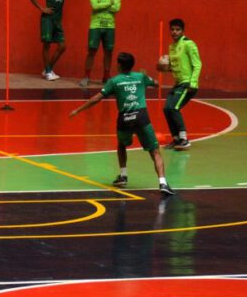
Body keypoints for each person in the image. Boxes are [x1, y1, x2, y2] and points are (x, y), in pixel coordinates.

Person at [69, 52, 175, 196]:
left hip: (124, 120)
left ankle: (123, 176)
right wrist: (149, 77)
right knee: (154, 151)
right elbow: (156, 84)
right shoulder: (140, 77)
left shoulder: (114, 81)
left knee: (122, 144)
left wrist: (78, 109)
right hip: (141, 118)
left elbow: (97, 98)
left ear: (119, 65)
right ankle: (163, 183)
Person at [29, 0, 95, 81]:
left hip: (58, 21)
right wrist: (42, 8)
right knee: (46, 45)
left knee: (62, 46)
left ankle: (47, 69)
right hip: (47, 19)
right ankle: (48, 71)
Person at [161, 18, 202, 150]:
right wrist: (165, 68)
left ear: (183, 31)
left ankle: (184, 139)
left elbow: (197, 64)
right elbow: (175, 66)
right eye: (172, 29)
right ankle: (176, 139)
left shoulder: (188, 44)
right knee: (167, 108)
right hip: (178, 83)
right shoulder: (171, 47)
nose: (174, 32)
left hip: (187, 83)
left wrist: (193, 82)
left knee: (174, 107)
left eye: (177, 29)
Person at [81, 0, 121, 87]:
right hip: (95, 26)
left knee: (108, 52)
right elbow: (94, 6)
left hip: (110, 26)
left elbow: (117, 8)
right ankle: (86, 76)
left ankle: (106, 76)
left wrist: (101, 5)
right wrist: (109, 3)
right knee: (91, 51)